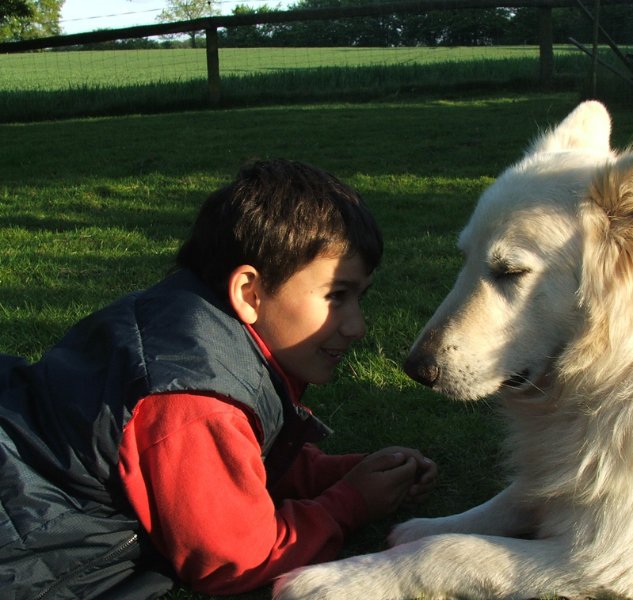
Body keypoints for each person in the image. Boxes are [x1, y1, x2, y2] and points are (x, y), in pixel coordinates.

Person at [0, 158, 437, 599]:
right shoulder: (195, 403)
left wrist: (338, 473)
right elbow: (238, 560)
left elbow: (230, 466)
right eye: (336, 296)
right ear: (249, 293)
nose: (356, 326)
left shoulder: (193, 324)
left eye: (358, 298)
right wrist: (349, 504)